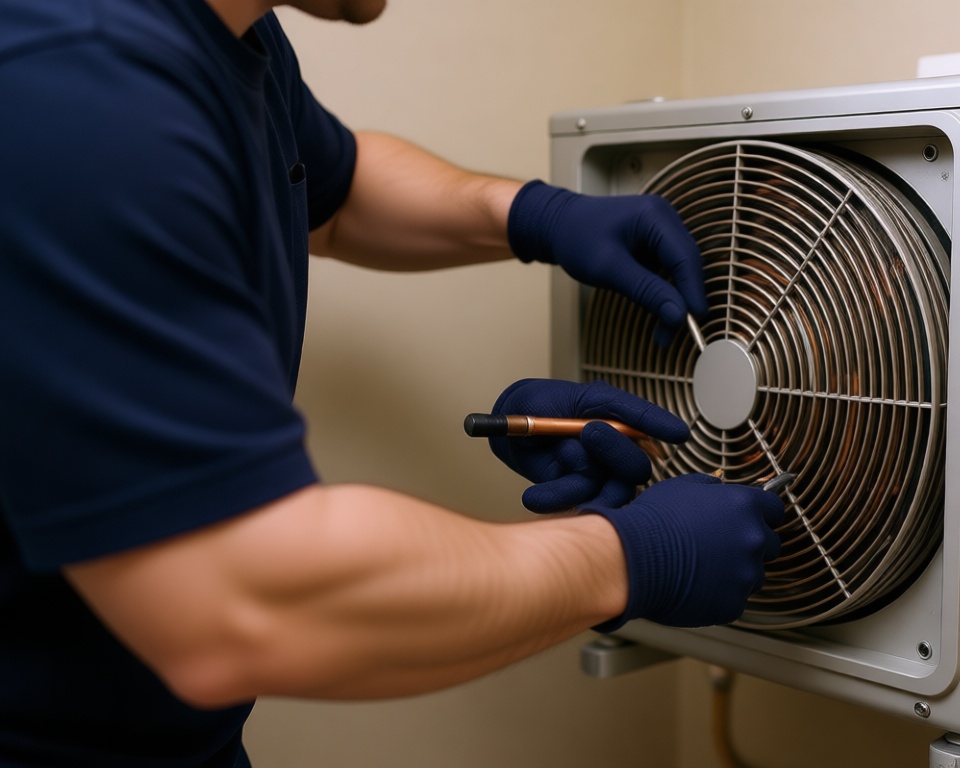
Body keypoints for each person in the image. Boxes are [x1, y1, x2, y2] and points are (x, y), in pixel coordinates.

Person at [0, 1, 785, 766]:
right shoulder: (78, 82)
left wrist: (535, 214)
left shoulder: (231, 34)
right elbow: (241, 606)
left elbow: (337, 191)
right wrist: (634, 557)